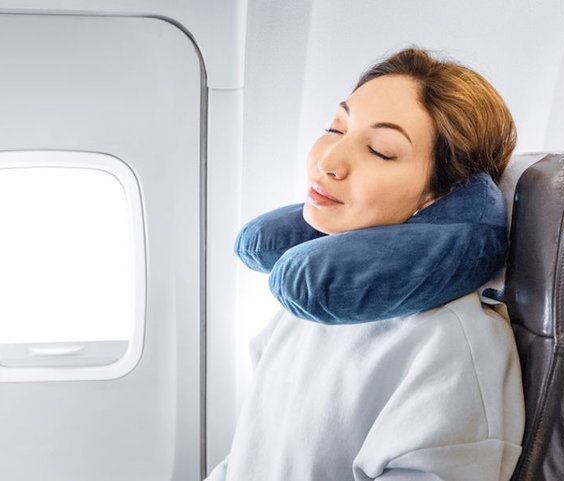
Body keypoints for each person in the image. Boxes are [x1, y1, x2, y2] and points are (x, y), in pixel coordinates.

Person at [205, 47, 525, 480]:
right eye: (336, 128)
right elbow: (247, 459)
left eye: (380, 150)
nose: (328, 161)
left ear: (439, 197)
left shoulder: (453, 346)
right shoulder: (311, 300)